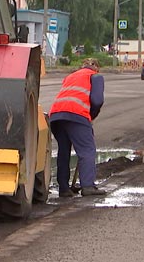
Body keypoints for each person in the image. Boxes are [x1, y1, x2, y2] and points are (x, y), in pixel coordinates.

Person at [49, 58, 106, 197]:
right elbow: (97, 100)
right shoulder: (95, 76)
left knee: (64, 150)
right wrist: (90, 116)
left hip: (56, 115)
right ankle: (88, 186)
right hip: (77, 114)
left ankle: (64, 188)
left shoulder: (70, 76)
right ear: (96, 68)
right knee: (87, 149)